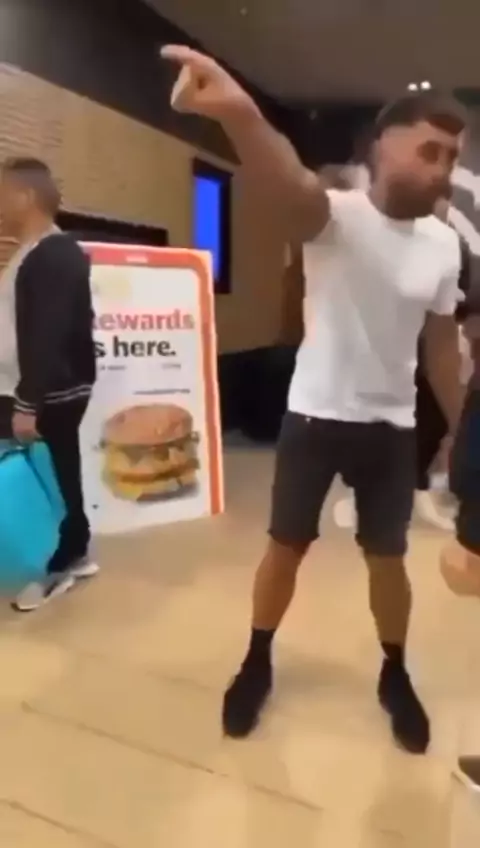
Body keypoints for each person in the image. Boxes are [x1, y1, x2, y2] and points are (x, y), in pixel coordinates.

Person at [162, 45, 466, 754]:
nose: (441, 169)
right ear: (381, 147)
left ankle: (394, 671)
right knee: (285, 548)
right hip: (314, 416)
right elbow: (289, 183)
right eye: (429, 150)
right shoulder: (334, 215)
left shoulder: (443, 246)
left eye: (452, 157)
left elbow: (441, 346)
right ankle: (256, 658)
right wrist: (240, 114)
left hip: (391, 428)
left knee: (387, 559)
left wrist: (463, 429)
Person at [0, 158, 97, 611]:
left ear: (25, 196)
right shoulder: (32, 252)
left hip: (44, 395)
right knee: (54, 475)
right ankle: (66, 552)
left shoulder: (54, 253)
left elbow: (47, 333)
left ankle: (59, 563)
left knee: (54, 478)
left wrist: (27, 403)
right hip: (27, 390)